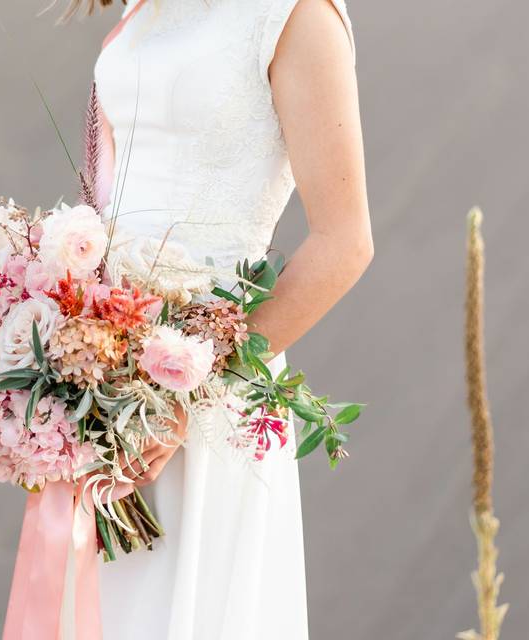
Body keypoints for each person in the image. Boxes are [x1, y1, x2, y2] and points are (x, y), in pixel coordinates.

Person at [65, 0, 372, 637]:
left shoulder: (297, 14)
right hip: (105, 378)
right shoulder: (145, 8)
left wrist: (188, 396)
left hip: (207, 389)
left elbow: (345, 242)